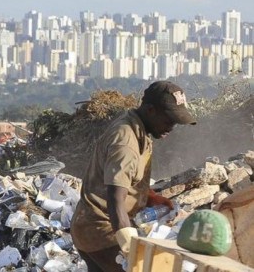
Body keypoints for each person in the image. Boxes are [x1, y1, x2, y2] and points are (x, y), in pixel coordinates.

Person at [70, 81, 196, 272]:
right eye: (169, 120)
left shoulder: (139, 129)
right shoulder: (126, 142)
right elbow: (115, 198)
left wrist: (152, 198)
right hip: (102, 232)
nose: (171, 127)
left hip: (88, 227)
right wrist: (129, 245)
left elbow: (127, 181)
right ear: (151, 110)